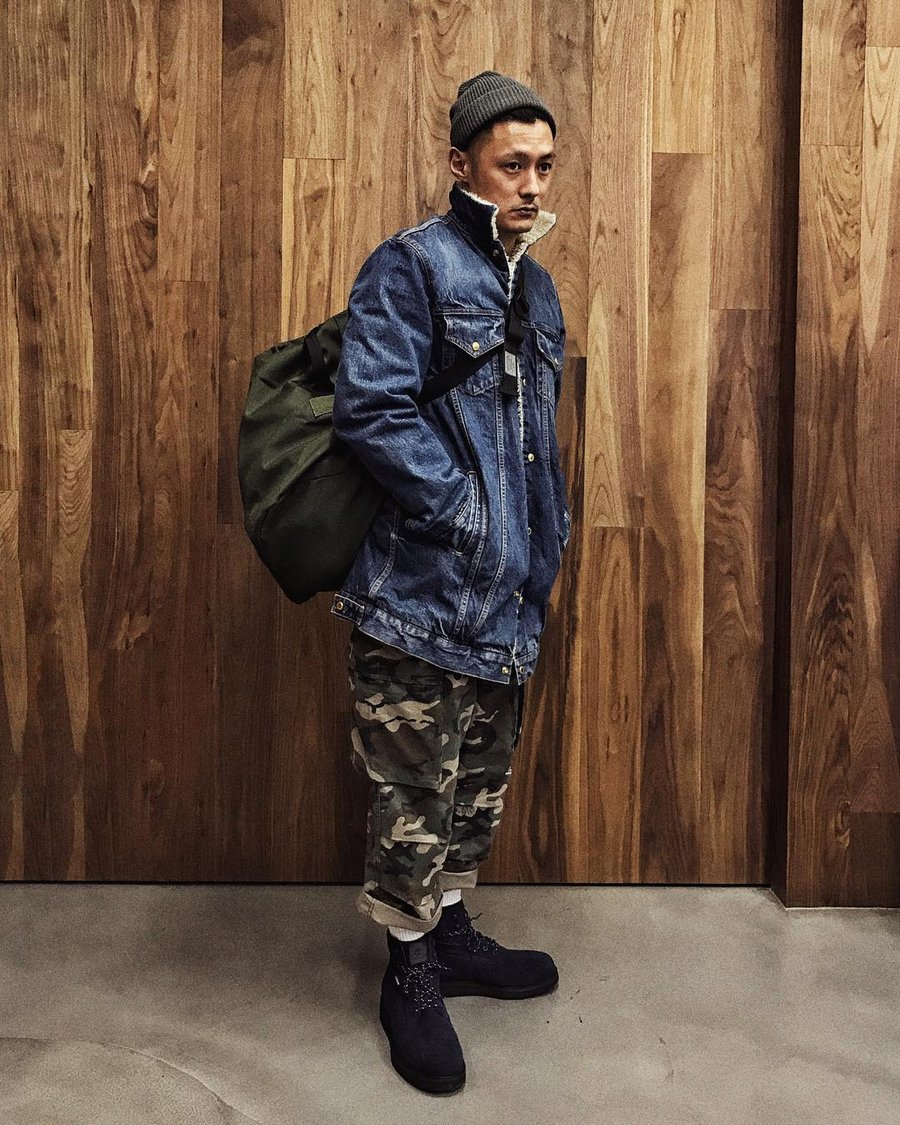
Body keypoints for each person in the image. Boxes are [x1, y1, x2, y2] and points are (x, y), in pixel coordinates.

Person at [330, 69, 570, 1095]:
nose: (531, 183)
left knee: (477, 783)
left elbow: (535, 435)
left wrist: (543, 539)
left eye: (544, 165)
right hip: (418, 595)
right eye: (512, 163)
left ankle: (453, 929)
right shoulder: (412, 265)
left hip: (507, 599)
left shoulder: (537, 288)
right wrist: (467, 517)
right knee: (413, 792)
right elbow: (371, 408)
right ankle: (409, 967)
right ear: (462, 163)